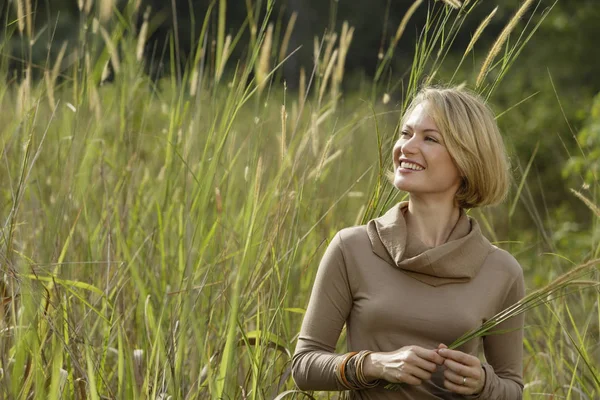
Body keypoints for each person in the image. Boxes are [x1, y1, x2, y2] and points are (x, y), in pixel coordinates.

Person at [291, 86, 525, 399]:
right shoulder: (352, 248)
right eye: (406, 133)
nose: (406, 147)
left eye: (430, 138)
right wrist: (373, 364)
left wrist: (483, 383)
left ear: (467, 159)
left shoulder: (501, 271)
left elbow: (513, 389)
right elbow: (303, 367)